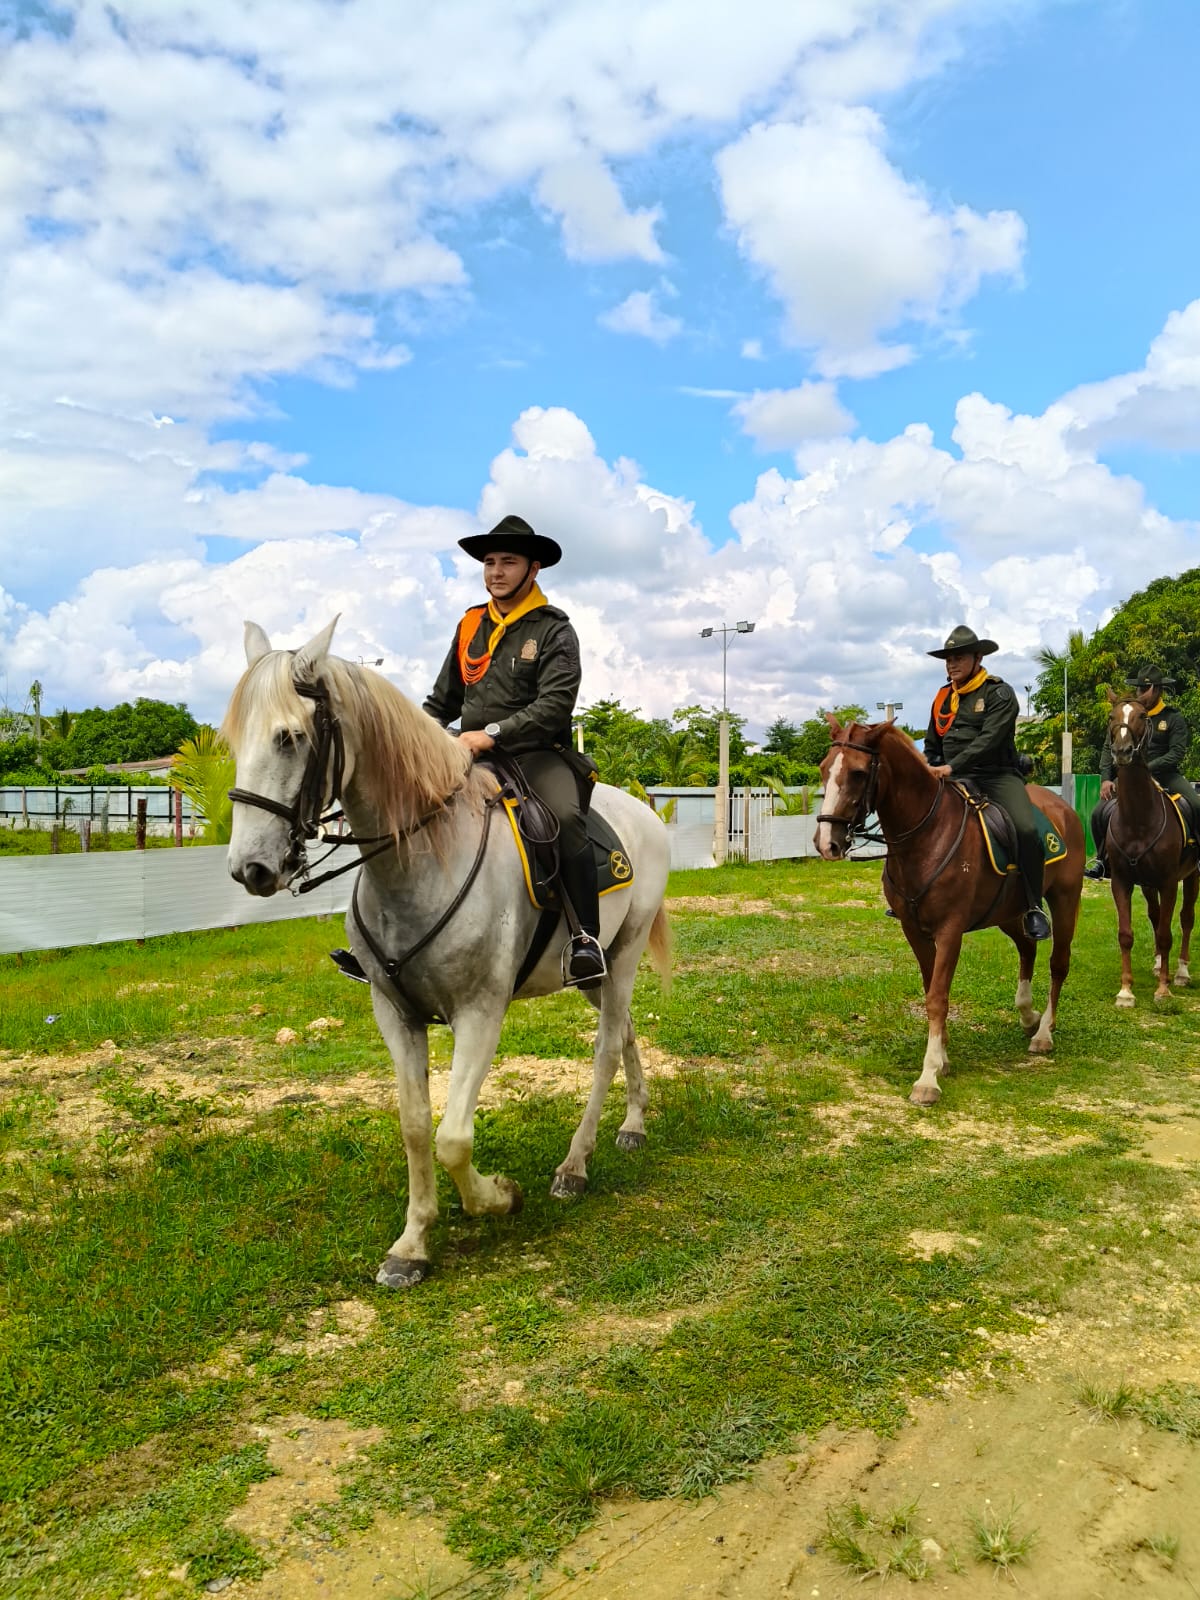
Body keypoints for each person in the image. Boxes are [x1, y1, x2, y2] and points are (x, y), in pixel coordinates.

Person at [923, 624, 1052, 941]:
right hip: (952, 775)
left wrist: (952, 766)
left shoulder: (999, 693)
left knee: (1025, 828)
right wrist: (932, 765)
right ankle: (915, 894)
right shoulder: (943, 697)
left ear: (978, 657)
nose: (952, 664)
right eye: (948, 658)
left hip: (996, 776)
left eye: (959, 657)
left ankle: (1034, 905)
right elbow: (931, 742)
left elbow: (989, 740)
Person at [1084, 663, 1200, 880]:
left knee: (1196, 805)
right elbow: (1108, 748)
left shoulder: (1172, 717)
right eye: (1139, 689)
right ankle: (1102, 860)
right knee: (1098, 813)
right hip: (1130, 777)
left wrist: (1148, 769)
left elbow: (1176, 753)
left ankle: (1198, 857)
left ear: (1158, 691)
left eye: (1148, 689)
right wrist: (1106, 779)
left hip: (1166, 775)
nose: (1142, 693)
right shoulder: (1128, 715)